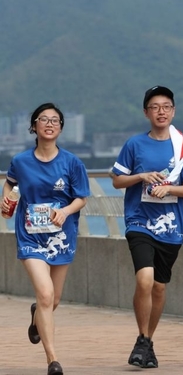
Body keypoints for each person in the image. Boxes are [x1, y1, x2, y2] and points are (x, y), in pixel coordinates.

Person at [111, 85, 183, 368]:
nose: (161, 111)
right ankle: (142, 337)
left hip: (171, 228)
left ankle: (147, 342)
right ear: (146, 112)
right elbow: (117, 180)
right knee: (145, 279)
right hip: (139, 222)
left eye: (166, 106)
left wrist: (169, 189)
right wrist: (141, 176)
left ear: (173, 111)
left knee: (159, 288)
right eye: (155, 107)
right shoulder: (134, 145)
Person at [2, 102, 90, 375]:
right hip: (30, 236)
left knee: (53, 299)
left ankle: (36, 317)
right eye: (44, 119)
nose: (49, 124)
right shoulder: (21, 161)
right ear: (34, 126)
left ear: (61, 128)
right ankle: (53, 360)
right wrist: (5, 201)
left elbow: (81, 198)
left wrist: (65, 211)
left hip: (61, 237)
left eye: (55, 120)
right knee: (45, 293)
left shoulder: (72, 163)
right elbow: (10, 183)